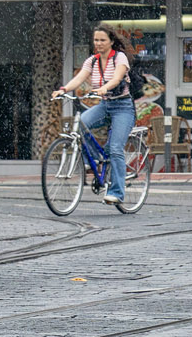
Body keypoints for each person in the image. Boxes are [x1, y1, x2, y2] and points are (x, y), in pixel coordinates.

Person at [52, 24, 136, 205]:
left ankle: (117, 192)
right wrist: (64, 89)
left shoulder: (119, 57)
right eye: (96, 40)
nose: (98, 43)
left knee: (115, 148)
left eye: (102, 40)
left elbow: (117, 78)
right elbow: (80, 77)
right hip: (105, 105)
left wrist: (104, 87)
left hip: (123, 107)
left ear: (111, 41)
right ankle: (94, 158)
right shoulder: (92, 61)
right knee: (81, 124)